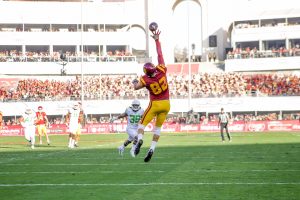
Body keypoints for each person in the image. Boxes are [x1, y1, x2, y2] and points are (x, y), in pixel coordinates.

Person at [132, 28, 170, 162]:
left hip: (155, 104)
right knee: (157, 128)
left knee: (141, 125)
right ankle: (152, 148)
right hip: (166, 104)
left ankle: (140, 141)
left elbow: (136, 87)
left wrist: (134, 81)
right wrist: (157, 40)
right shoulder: (161, 70)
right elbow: (160, 54)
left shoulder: (146, 79)